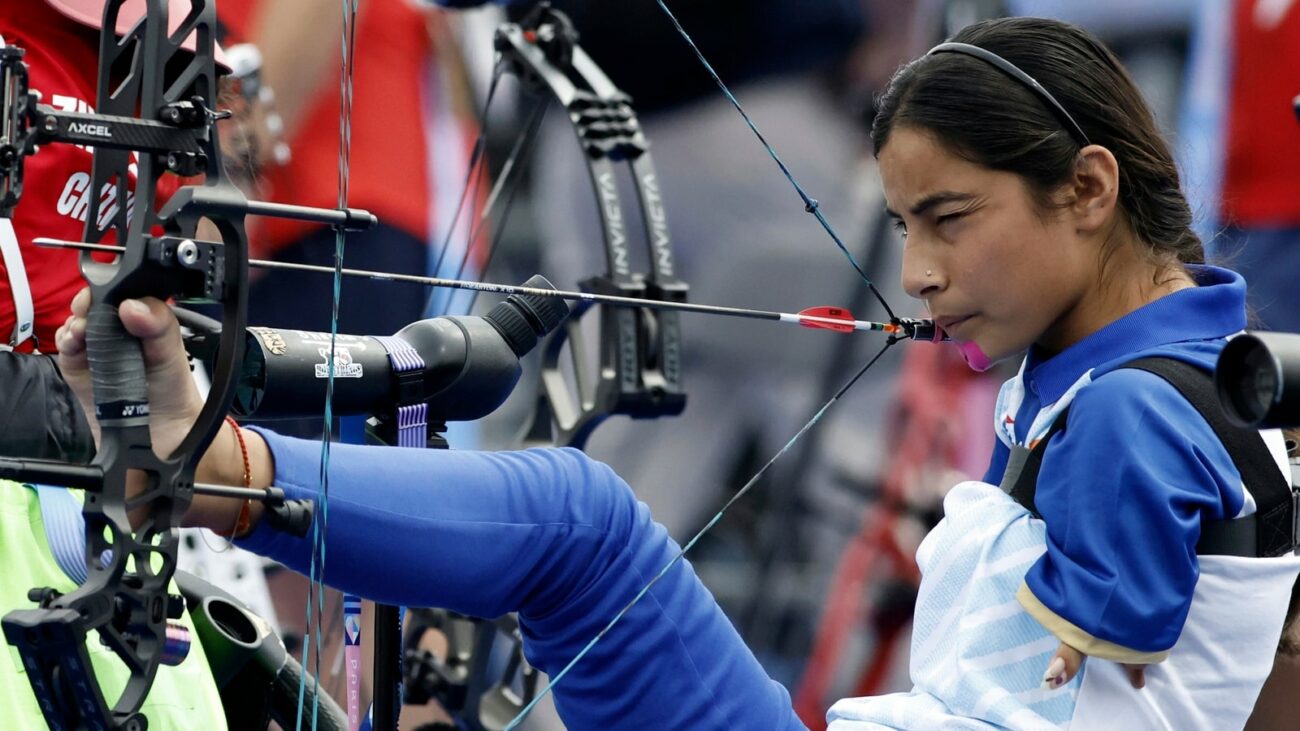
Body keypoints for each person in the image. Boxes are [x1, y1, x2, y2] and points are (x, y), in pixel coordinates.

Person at [51, 15, 1300, 730]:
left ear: (1085, 189)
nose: (912, 270)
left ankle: (204, 462)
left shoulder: (1137, 411)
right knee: (570, 526)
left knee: (574, 520)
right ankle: (206, 464)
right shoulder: (1169, 360)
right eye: (906, 222)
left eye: (949, 218)